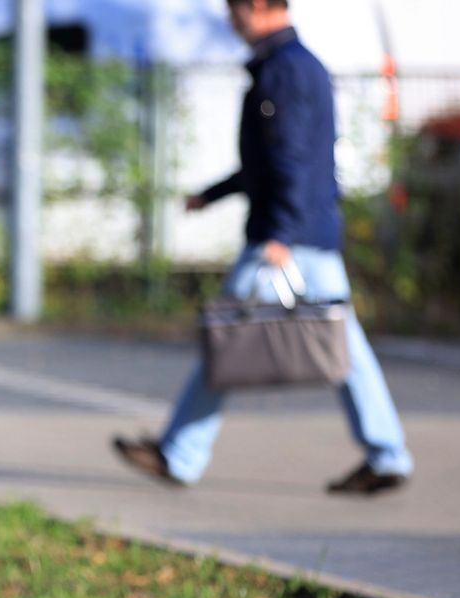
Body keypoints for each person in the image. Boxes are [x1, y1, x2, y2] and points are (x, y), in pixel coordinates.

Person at [113, 0, 412, 495]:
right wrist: (213, 194)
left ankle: (179, 454)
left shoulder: (284, 71)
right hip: (305, 234)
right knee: (343, 348)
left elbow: (292, 159)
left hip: (286, 239)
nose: (231, 21)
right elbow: (275, 160)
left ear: (255, 7)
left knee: (227, 337)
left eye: (233, 10)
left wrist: (282, 235)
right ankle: (388, 455)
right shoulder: (294, 64)